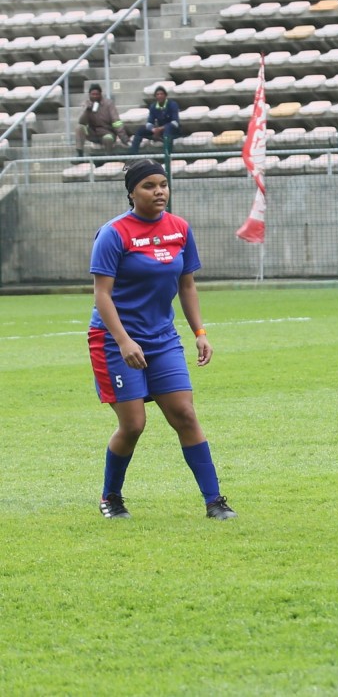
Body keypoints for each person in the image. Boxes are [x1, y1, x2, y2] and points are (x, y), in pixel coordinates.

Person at [88, 159, 236, 521]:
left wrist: (200, 333)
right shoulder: (113, 233)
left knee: (185, 414)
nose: (159, 192)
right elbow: (102, 295)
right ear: (131, 192)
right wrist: (123, 341)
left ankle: (214, 501)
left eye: (163, 185)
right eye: (149, 186)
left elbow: (186, 285)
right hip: (113, 340)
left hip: (162, 339)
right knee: (134, 424)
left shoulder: (180, 229)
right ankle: (111, 497)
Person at [76, 84, 130, 158]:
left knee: (108, 138)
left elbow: (116, 121)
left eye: (97, 94)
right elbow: (81, 122)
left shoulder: (109, 104)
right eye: (93, 94)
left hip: (107, 132)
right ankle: (79, 154)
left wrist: (124, 137)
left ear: (100, 94)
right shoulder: (86, 104)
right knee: (79, 128)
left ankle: (108, 157)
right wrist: (87, 110)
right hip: (93, 132)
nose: (95, 96)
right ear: (89, 95)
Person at [129, 86, 182, 155]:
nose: (159, 96)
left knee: (168, 130)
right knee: (141, 130)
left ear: (165, 95)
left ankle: (167, 156)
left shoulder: (172, 104)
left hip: (173, 131)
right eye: (157, 94)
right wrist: (153, 130)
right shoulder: (153, 106)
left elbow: (175, 123)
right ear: (155, 96)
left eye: (161, 94)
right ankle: (133, 155)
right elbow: (149, 122)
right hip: (160, 131)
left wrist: (160, 128)